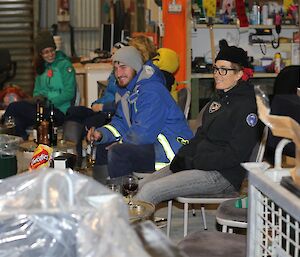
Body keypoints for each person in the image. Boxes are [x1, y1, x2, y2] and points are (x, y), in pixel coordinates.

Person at [134, 43, 262, 205]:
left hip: (222, 175)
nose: (217, 74)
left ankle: (133, 230)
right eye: (215, 69)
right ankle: (121, 226)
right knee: (140, 186)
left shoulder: (247, 107)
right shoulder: (220, 99)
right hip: (201, 165)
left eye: (224, 69)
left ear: (239, 74)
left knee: (149, 192)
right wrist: (182, 156)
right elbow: (201, 135)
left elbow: (234, 155)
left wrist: (194, 162)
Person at [87, 46, 193, 182]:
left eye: (124, 67)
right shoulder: (128, 92)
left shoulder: (152, 91)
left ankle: (123, 199)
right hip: (152, 146)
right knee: (102, 147)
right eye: (116, 68)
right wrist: (101, 134)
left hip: (172, 153)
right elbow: (120, 123)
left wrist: (121, 143)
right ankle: (107, 196)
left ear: (135, 67)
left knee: (118, 153)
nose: (119, 74)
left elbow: (143, 134)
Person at [2, 31, 76, 140]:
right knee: (16, 120)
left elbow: (69, 93)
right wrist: (38, 100)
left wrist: (48, 101)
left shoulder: (65, 66)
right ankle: (20, 144)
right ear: (40, 54)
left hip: (58, 111)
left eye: (51, 50)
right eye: (46, 52)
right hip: (42, 108)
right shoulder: (41, 67)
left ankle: (15, 134)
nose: (50, 54)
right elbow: (37, 91)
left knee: (13, 107)